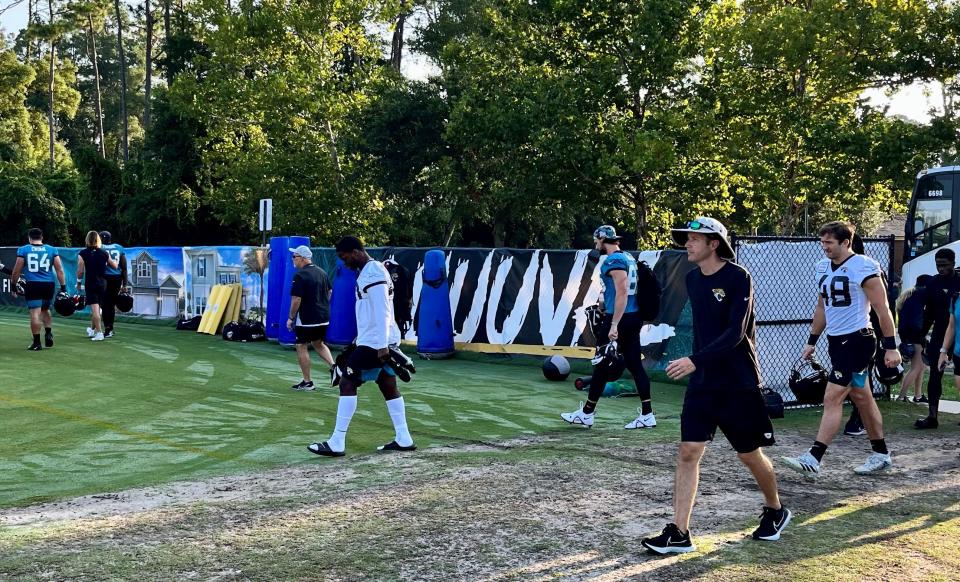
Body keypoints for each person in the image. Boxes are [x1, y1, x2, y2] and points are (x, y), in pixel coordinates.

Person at [640, 217, 788, 555]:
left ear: (714, 244)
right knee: (688, 451)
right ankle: (680, 532)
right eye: (687, 238)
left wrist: (695, 360)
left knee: (749, 454)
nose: (688, 244)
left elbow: (736, 333)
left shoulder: (739, 277)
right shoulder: (692, 280)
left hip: (738, 382)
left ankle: (776, 510)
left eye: (695, 239)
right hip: (704, 382)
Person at [780, 221, 900, 478]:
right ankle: (881, 454)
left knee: (832, 396)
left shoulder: (864, 267)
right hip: (836, 341)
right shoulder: (822, 267)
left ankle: (814, 457)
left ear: (846, 242)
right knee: (862, 398)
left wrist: (891, 347)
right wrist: (812, 341)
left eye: (829, 243)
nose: (825, 248)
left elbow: (882, 309)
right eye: (822, 242)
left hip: (858, 340)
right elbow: (822, 308)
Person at [308, 236, 415, 456]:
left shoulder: (373, 271)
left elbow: (382, 307)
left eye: (343, 256)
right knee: (387, 384)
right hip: (376, 339)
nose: (343, 261)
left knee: (347, 382)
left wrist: (382, 345)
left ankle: (337, 441)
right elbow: (372, 311)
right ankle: (404, 437)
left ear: (356, 251)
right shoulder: (370, 271)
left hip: (376, 342)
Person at [561, 225, 656, 430]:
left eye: (597, 240)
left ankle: (587, 413)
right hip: (632, 316)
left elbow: (622, 291)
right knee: (634, 365)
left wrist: (614, 323)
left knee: (602, 364)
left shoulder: (615, 260)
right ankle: (647, 414)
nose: (596, 244)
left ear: (603, 239)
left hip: (620, 318)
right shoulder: (628, 257)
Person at [915, 248, 960, 429]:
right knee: (935, 373)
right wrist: (921, 335)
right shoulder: (932, 284)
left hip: (959, 333)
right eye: (938, 265)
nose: (941, 269)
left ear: (953, 264)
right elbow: (928, 314)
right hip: (941, 334)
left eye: (945, 265)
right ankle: (932, 416)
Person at [9, 228, 67, 350]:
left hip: (33, 284)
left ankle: (37, 342)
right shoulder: (52, 249)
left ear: (30, 238)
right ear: (41, 238)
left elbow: (16, 271)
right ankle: (48, 332)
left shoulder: (24, 250)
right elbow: (59, 270)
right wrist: (63, 287)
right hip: (48, 284)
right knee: (45, 309)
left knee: (35, 313)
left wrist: (13, 285)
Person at [287, 245, 335, 391]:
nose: (293, 259)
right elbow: (329, 291)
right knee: (318, 343)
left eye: (294, 257)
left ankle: (307, 382)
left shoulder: (300, 275)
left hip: (307, 319)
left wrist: (290, 318)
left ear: (302, 258)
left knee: (301, 346)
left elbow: (296, 299)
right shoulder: (322, 272)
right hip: (324, 317)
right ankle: (335, 368)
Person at [77, 230, 118, 342]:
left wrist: (79, 283)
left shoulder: (83, 253)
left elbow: (80, 271)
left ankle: (99, 333)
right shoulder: (104, 253)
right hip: (103, 283)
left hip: (91, 283)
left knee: (95, 310)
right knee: (97, 308)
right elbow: (114, 266)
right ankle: (91, 330)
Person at [895, 275, 931, 403]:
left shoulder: (909, 295)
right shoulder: (921, 295)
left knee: (920, 367)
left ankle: (918, 395)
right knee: (917, 367)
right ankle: (901, 396)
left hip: (907, 334)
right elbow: (917, 320)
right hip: (915, 334)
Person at [99, 231, 127, 338]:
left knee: (105, 304)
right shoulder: (119, 247)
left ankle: (107, 328)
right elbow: (124, 267)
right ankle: (110, 327)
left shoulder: (100, 247)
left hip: (104, 277)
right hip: (116, 278)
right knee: (111, 305)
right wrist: (125, 284)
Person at [384, 259, 414, 339]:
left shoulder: (400, 270)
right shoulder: (403, 270)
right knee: (399, 319)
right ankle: (400, 335)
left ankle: (399, 335)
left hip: (395, 301)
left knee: (397, 320)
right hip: (400, 300)